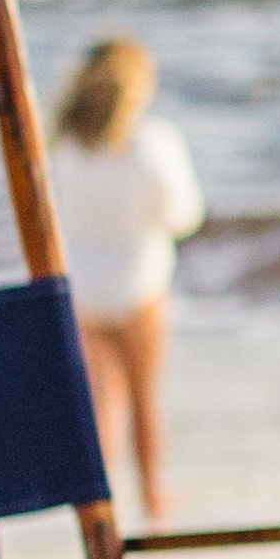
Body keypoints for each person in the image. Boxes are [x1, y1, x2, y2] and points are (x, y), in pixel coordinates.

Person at [49, 34, 204, 521]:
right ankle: (154, 497)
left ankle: (100, 504)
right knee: (144, 398)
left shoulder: (62, 145)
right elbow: (183, 214)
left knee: (101, 404)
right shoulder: (150, 141)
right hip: (138, 284)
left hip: (84, 289)